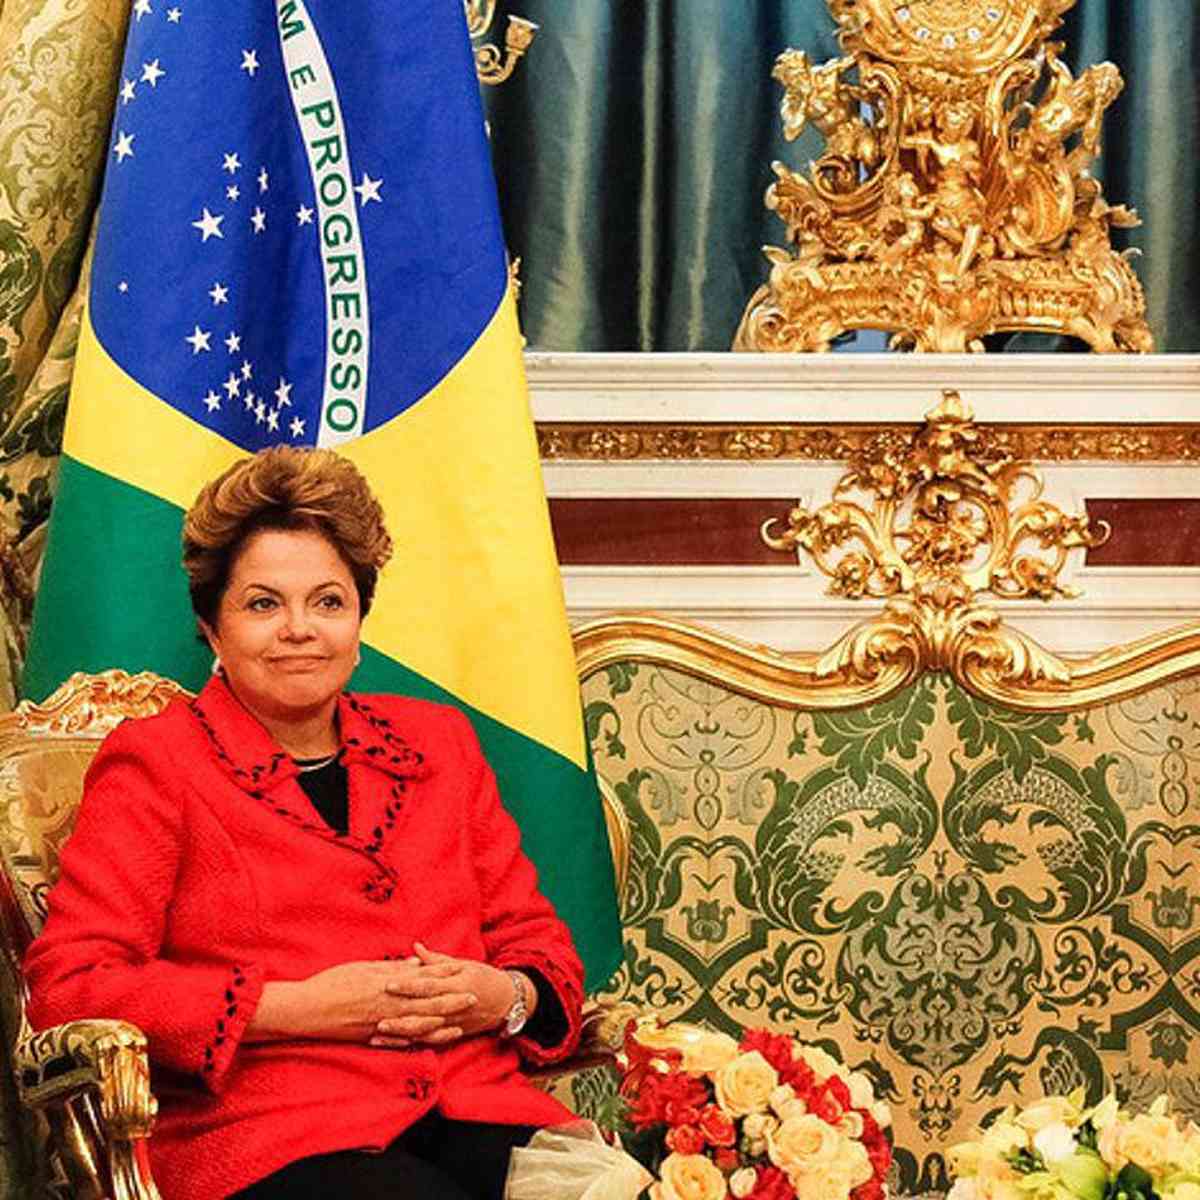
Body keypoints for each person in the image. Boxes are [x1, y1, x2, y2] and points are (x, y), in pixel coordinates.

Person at [24, 446, 585, 1200]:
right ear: (212, 628)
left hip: (476, 1110)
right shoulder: (158, 764)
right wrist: (294, 1007)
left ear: (359, 621)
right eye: (263, 603)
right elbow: (74, 987)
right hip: (272, 1136)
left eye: (328, 602)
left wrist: (501, 996)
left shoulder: (439, 744)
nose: (299, 629)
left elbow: (540, 948)